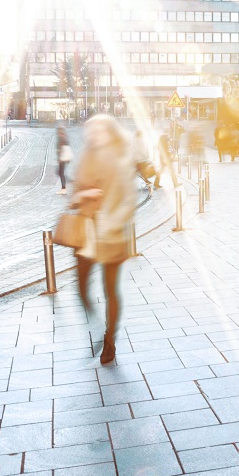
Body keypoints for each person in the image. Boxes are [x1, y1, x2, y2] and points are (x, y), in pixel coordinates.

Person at [71, 115, 137, 364]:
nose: (93, 134)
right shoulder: (87, 155)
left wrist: (112, 224)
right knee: (81, 290)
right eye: (90, 129)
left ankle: (110, 341)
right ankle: (99, 328)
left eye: (99, 129)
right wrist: (85, 193)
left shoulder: (121, 158)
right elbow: (75, 194)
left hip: (112, 235)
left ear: (111, 132)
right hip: (86, 232)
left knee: (110, 290)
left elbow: (129, 201)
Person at [56, 126, 73, 194]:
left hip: (62, 159)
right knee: (60, 173)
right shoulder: (65, 138)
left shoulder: (61, 139)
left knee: (60, 173)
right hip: (64, 159)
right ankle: (67, 184)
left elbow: (61, 150)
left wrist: (59, 158)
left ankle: (64, 188)